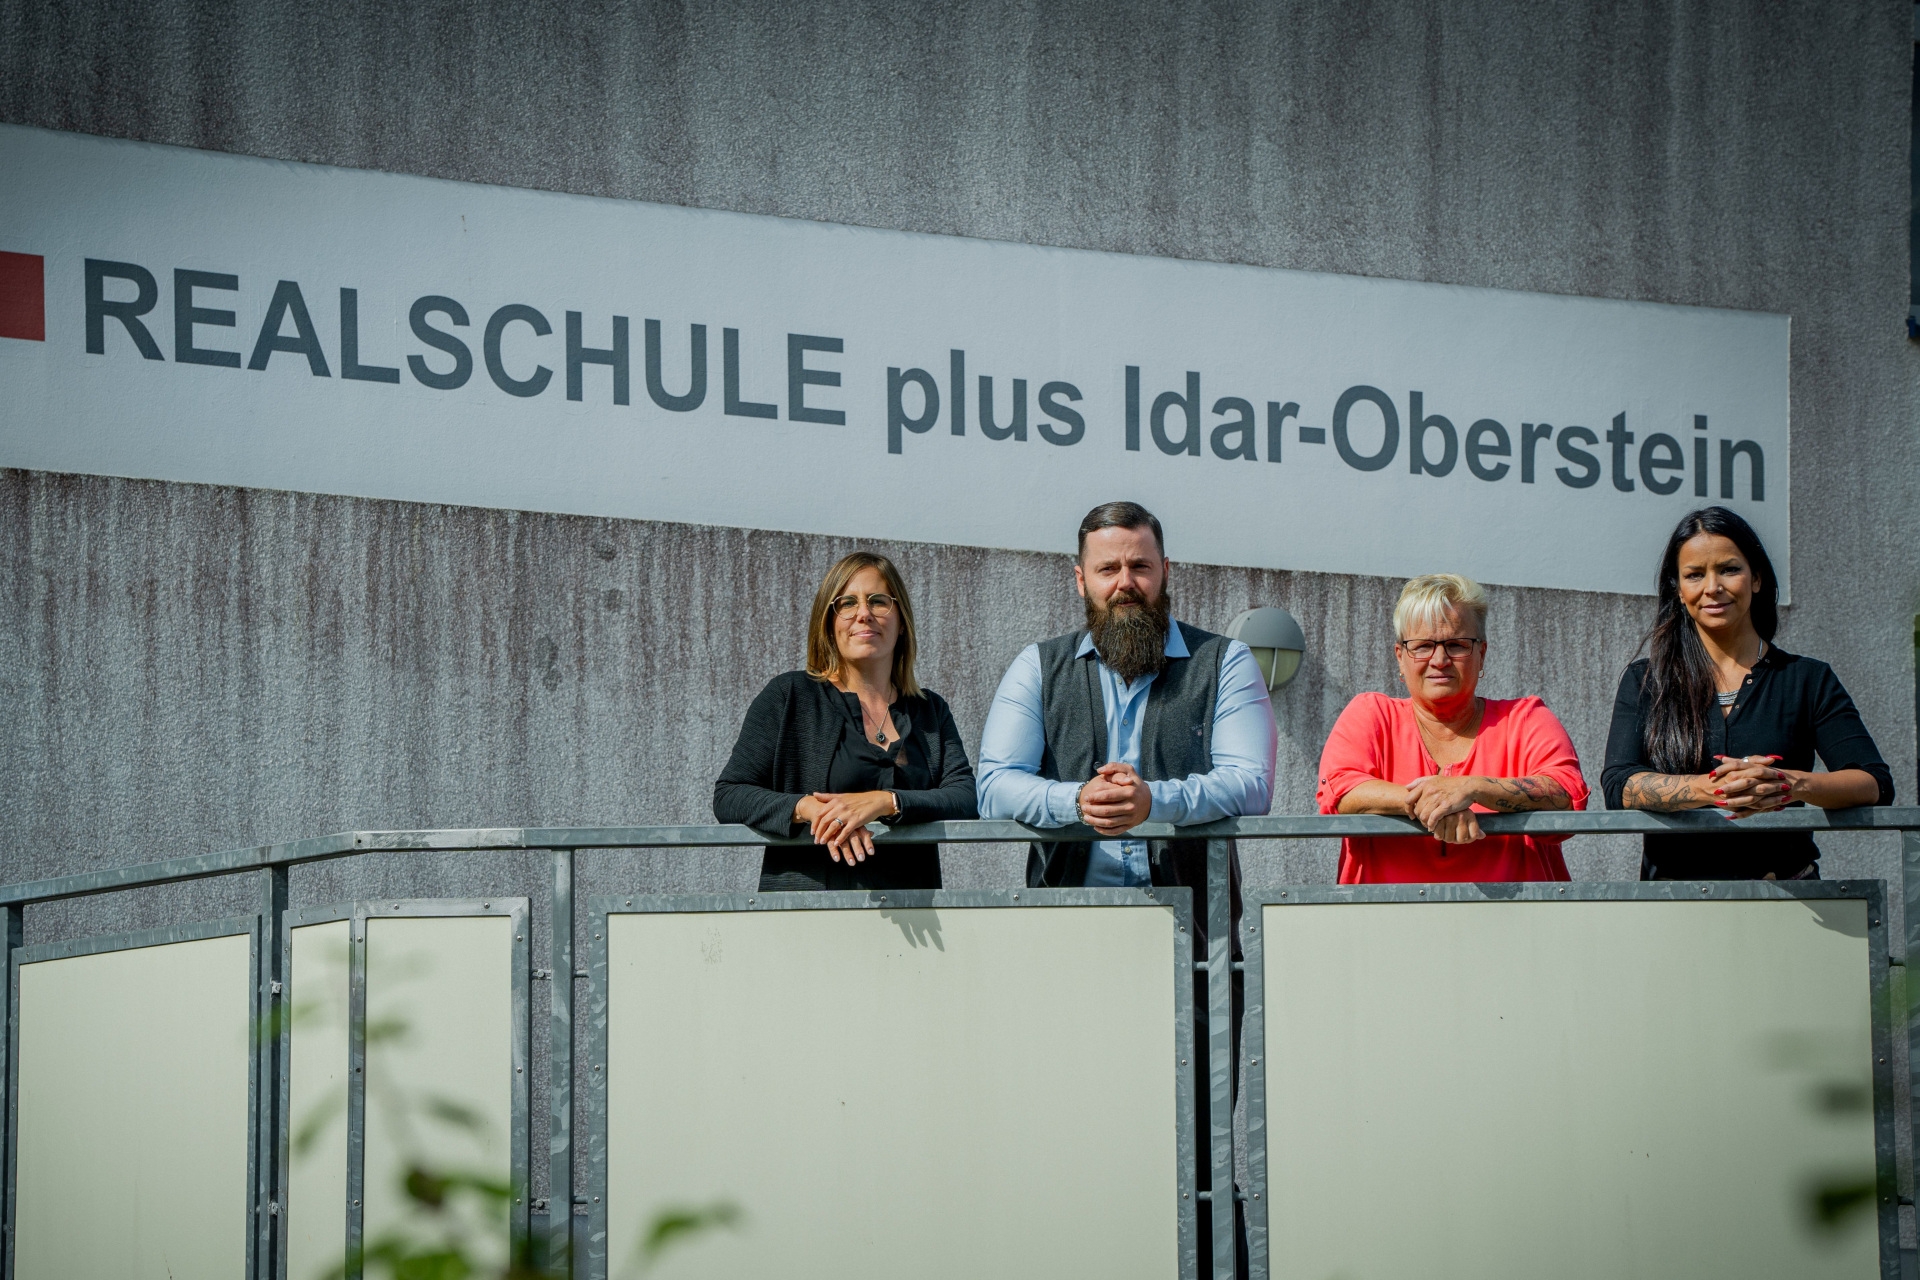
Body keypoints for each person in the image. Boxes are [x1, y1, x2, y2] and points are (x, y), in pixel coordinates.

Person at [976, 500, 1276, 913]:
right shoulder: (1039, 666)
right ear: (1081, 581)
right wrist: (1078, 801)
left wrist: (1153, 801)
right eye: (1107, 569)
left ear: (1165, 572)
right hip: (1065, 919)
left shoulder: (1228, 661)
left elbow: (1251, 785)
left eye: (1140, 566)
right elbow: (993, 787)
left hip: (1197, 927)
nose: (1125, 582)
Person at [1602, 507, 1893, 880]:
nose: (1712, 587)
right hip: (1674, 905)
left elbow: (1874, 782)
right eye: (1694, 575)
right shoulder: (1647, 681)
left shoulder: (1807, 678)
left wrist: (1787, 785)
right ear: (1678, 590)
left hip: (1789, 900)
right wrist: (1716, 788)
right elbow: (1619, 785)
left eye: (1728, 569)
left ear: (1756, 578)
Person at [713, 551, 977, 891]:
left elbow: (966, 797)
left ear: (901, 622)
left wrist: (884, 801)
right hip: (806, 916)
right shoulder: (789, 696)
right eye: (847, 603)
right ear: (829, 622)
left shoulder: (930, 710)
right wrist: (807, 808)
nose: (863, 614)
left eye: (878, 601)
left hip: (915, 920)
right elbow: (730, 795)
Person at [1316, 573, 1589, 882]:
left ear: (1481, 653)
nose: (1440, 659)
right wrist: (1437, 800)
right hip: (1384, 922)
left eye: (1457, 645)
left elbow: (1567, 792)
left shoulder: (1525, 719)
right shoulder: (1371, 714)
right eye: (1422, 646)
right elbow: (1341, 791)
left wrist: (1471, 789)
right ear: (1400, 657)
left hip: (1518, 922)